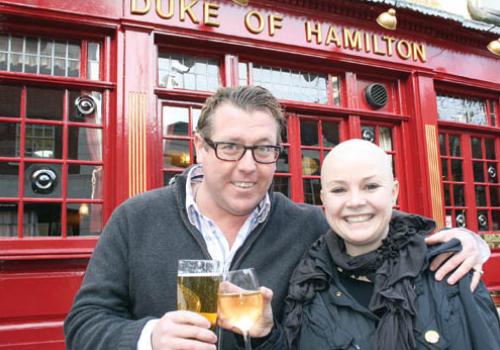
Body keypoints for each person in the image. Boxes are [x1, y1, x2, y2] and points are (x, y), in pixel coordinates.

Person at [64, 86, 489, 350]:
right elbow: (84, 324)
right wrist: (148, 339)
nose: (248, 165)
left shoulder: (310, 226)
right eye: (230, 147)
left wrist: (465, 240)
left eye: (264, 149)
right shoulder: (136, 219)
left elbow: (373, 225)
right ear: (199, 146)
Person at [250, 139, 500, 350]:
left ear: (393, 192)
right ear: (323, 199)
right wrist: (266, 335)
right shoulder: (308, 284)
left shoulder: (450, 271)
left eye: (370, 186)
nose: (355, 201)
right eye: (339, 190)